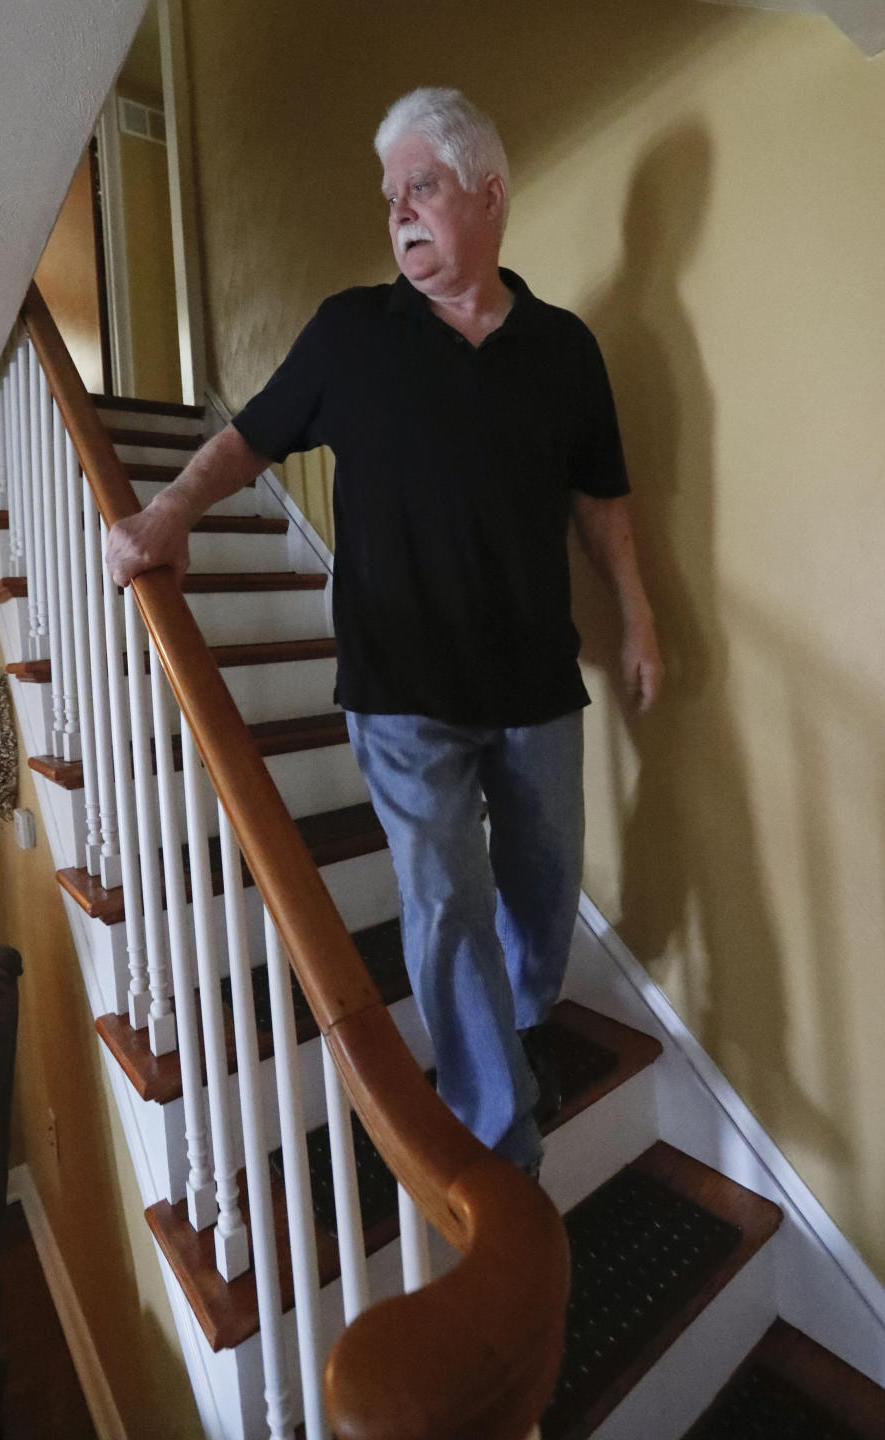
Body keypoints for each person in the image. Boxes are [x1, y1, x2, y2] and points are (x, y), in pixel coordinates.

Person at [107, 87, 662, 1178]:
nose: (399, 211)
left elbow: (601, 499)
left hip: (536, 680)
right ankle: (499, 1146)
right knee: (445, 900)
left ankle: (525, 1017)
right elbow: (250, 441)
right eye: (389, 194)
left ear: (488, 196)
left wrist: (637, 613)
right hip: (400, 691)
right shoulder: (350, 333)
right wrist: (170, 507)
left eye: (423, 186)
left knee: (545, 883)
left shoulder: (565, 350)